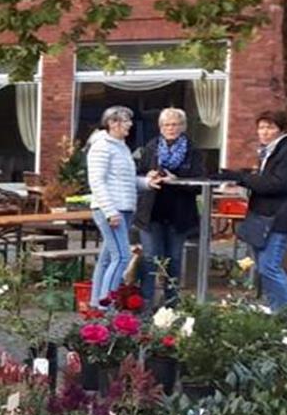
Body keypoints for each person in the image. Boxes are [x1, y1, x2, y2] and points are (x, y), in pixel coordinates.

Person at [222, 110, 287, 322]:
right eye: (261, 127)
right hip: (263, 218)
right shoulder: (269, 152)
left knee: (269, 266)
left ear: (281, 129)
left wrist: (243, 178)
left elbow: (277, 184)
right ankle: (279, 311)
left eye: (270, 127)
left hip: (279, 219)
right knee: (264, 267)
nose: (264, 132)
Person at [134, 107, 201, 308]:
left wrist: (178, 180)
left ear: (183, 126)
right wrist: (149, 177)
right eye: (167, 125)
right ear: (160, 127)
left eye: (175, 124)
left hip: (178, 213)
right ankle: (145, 304)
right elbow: (138, 175)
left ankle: (172, 304)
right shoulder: (151, 147)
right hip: (151, 212)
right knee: (150, 259)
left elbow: (200, 182)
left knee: (174, 259)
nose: (171, 128)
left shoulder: (193, 150)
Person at [85, 106, 140, 311]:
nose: (130, 124)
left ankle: (95, 304)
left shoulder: (121, 146)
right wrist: (110, 211)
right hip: (111, 209)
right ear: (112, 123)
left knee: (108, 258)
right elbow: (97, 181)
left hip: (123, 207)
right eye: (126, 120)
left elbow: (126, 180)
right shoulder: (102, 147)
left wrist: (146, 182)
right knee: (122, 257)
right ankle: (105, 306)